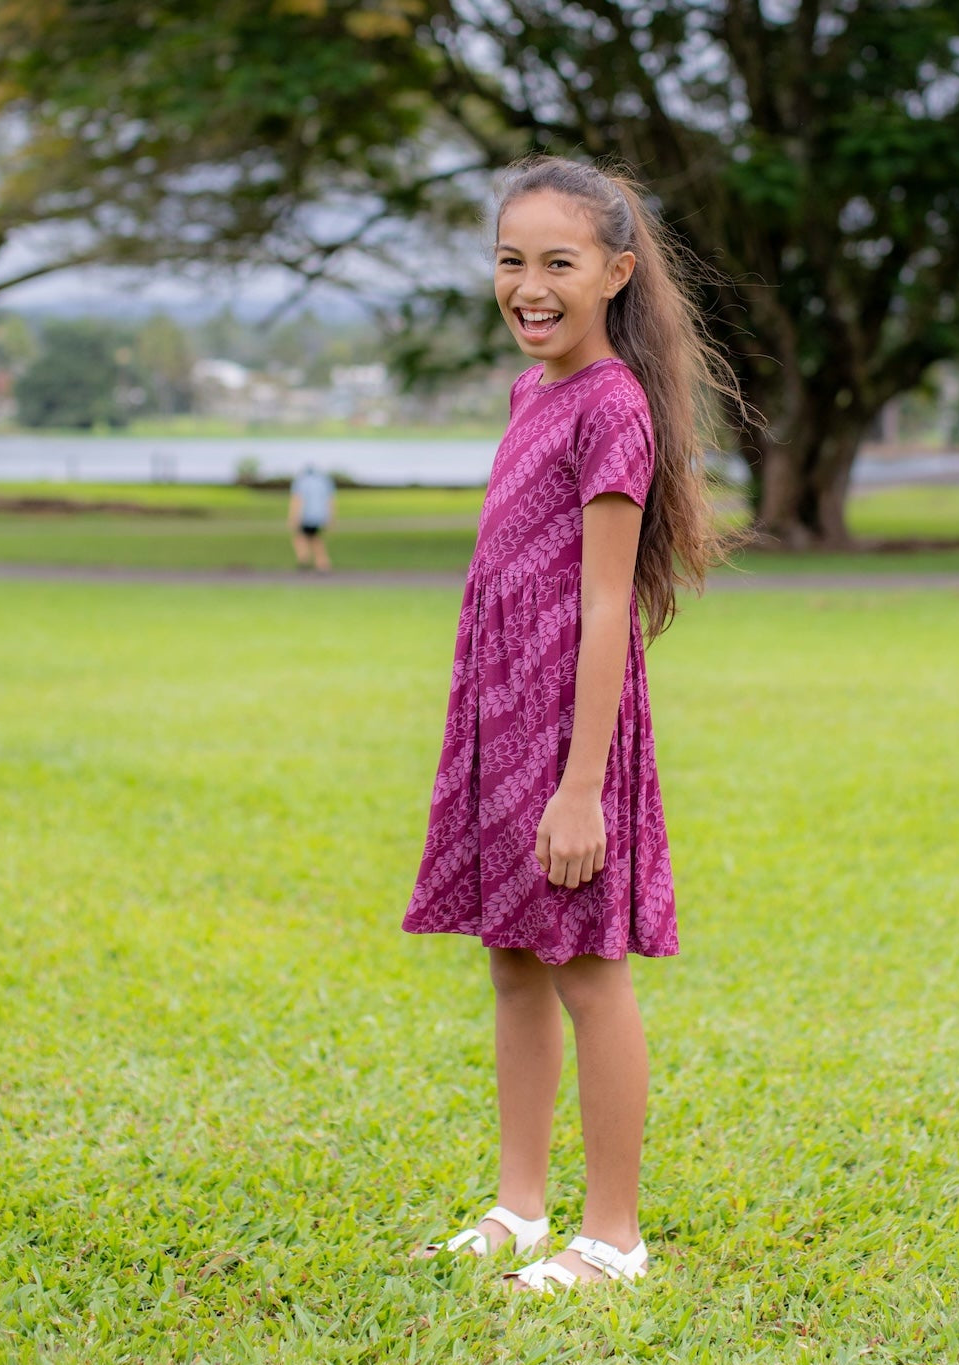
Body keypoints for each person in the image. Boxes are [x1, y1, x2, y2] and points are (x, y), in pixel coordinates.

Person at [403, 157, 745, 1293]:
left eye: (559, 262)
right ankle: (519, 1207)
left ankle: (614, 1236)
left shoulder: (611, 407)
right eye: (511, 261)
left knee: (589, 970)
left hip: (568, 727)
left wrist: (578, 784)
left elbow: (607, 605)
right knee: (511, 961)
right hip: (502, 708)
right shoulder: (531, 392)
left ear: (617, 273)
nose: (530, 286)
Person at [288, 463, 334, 571]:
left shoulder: (301, 482)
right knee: (314, 538)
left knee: (301, 538)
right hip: (320, 515)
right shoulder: (324, 481)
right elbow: (330, 500)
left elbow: (297, 500)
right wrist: (330, 517)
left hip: (306, 515)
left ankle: (304, 559)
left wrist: (294, 516)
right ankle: (322, 563)